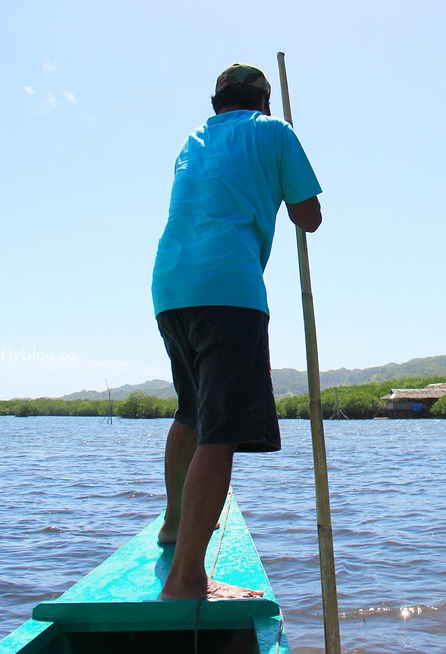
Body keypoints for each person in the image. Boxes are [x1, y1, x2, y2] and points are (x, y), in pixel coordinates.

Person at [151, 63, 322, 601]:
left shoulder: (193, 139)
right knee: (219, 431)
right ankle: (186, 579)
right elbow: (309, 216)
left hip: (171, 288)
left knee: (191, 412)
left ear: (218, 102)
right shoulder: (274, 131)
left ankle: (174, 526)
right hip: (228, 289)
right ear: (264, 102)